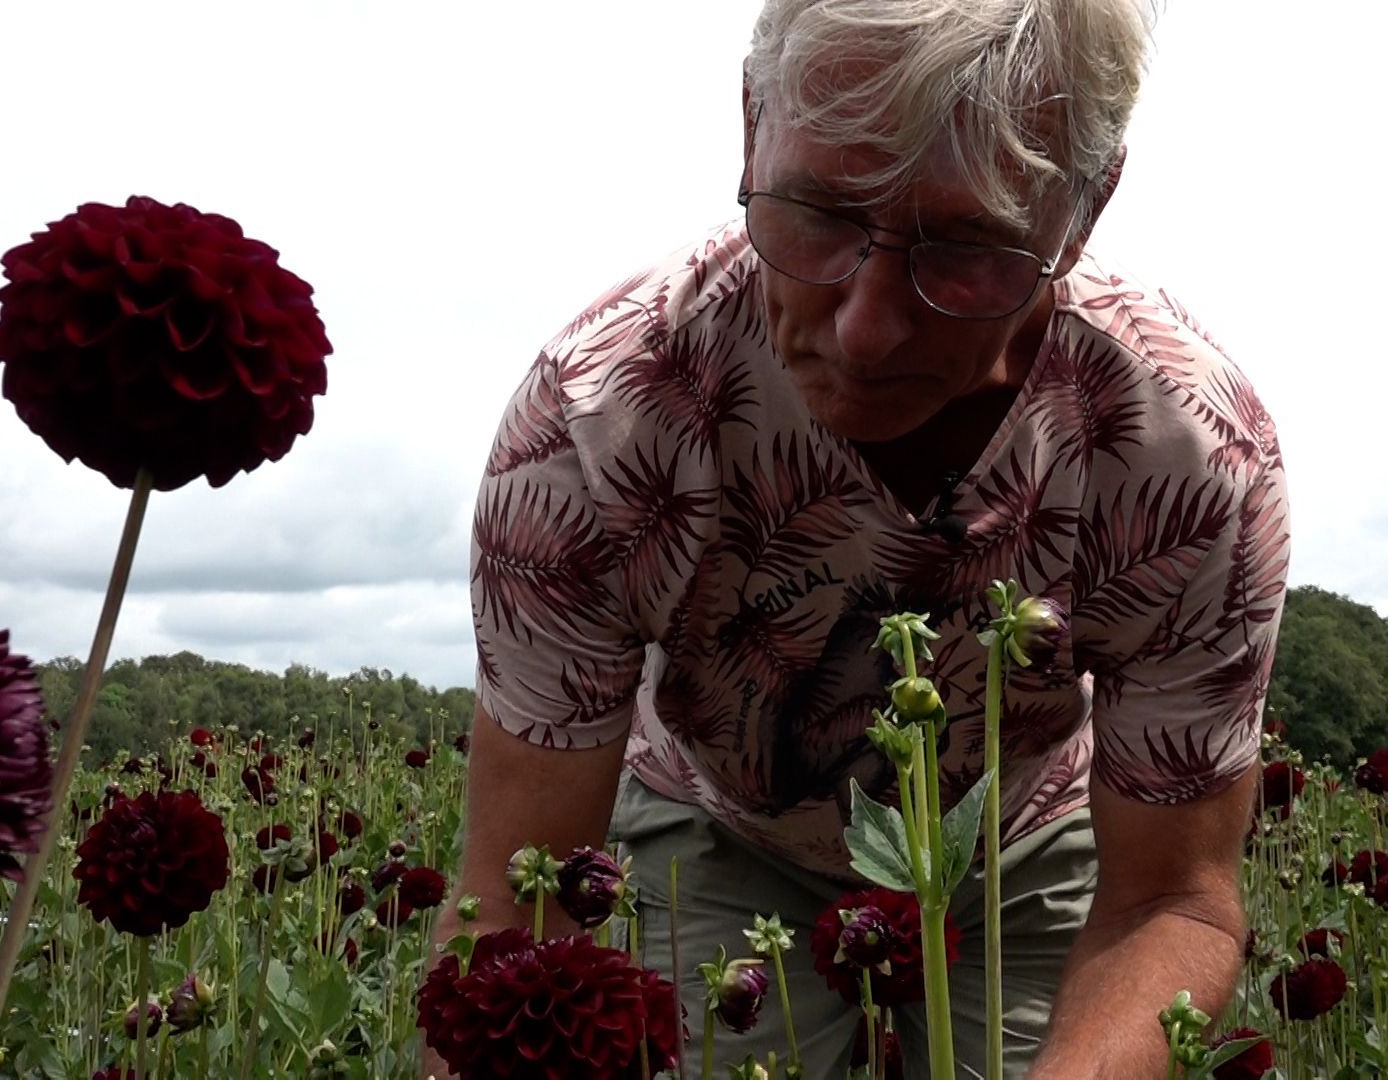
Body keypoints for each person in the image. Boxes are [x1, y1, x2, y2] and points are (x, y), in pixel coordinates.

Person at [432, 1, 1290, 1076]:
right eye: (818, 213)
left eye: (970, 248)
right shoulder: (602, 422)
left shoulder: (1181, 453)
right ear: (750, 125)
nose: (866, 327)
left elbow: (1171, 901)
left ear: (1084, 209)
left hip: (1016, 843)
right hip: (721, 825)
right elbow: (521, 891)